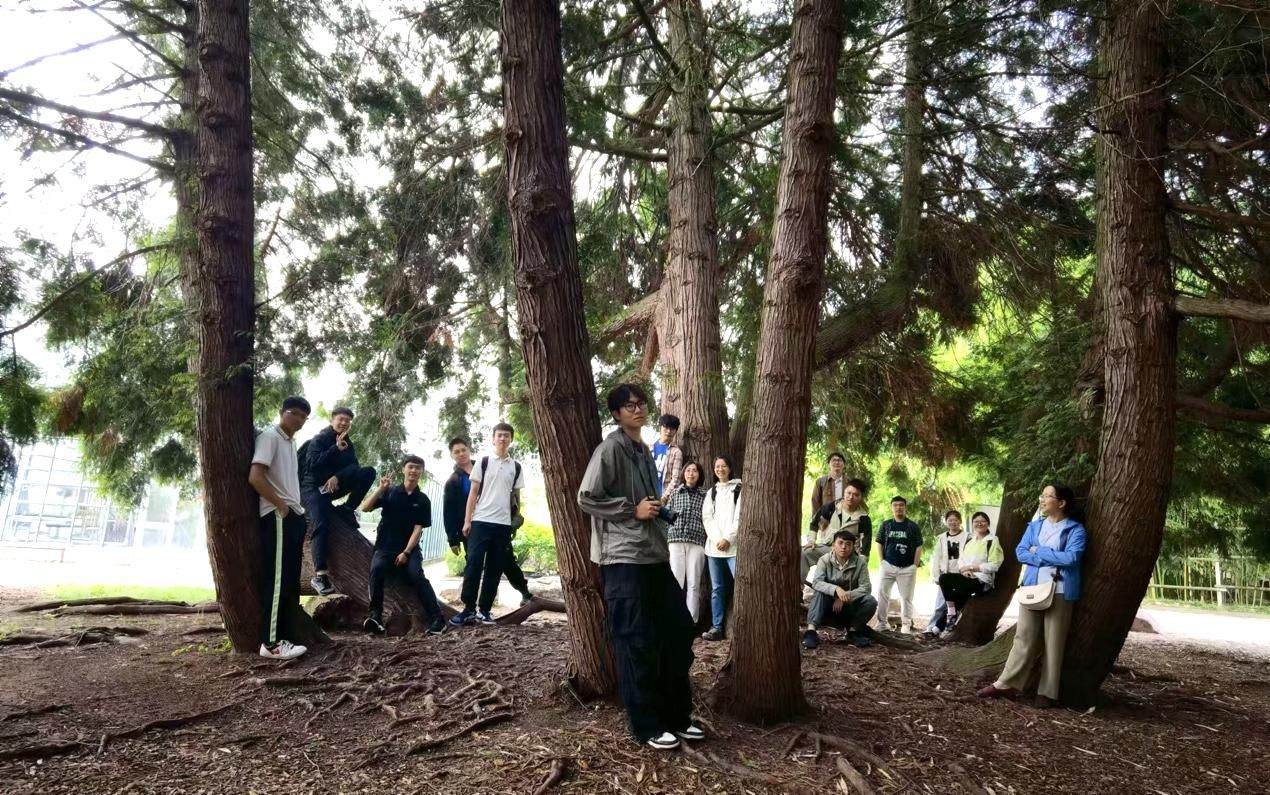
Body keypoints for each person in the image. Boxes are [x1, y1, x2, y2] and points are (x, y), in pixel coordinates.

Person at [577, 383, 701, 751]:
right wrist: (631, 510)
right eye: (630, 405)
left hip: (653, 554)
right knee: (636, 641)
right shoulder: (609, 449)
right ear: (616, 413)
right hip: (623, 559)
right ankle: (647, 725)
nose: (638, 409)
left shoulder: (645, 450)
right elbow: (586, 497)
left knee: (677, 631)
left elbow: (648, 503)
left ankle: (676, 715)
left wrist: (655, 509)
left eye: (642, 403)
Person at [978, 484, 1086, 708]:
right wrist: (1048, 556)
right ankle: (1006, 684)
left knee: (1053, 643)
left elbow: (1071, 558)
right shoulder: (1034, 527)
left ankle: (1047, 692)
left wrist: (1039, 551)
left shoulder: (1075, 530)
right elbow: (1021, 552)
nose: (1042, 499)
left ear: (1061, 503)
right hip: (1032, 589)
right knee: (1023, 638)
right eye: (1042, 495)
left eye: (1048, 496)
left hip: (1060, 590)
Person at [248, 396, 312, 660]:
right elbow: (255, 476)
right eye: (293, 413)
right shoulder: (270, 437)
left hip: (293, 515)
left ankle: (286, 637)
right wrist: (280, 505)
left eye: (303, 416)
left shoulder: (290, 443)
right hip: (277, 515)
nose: (298, 419)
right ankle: (270, 643)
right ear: (281, 412)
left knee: (289, 582)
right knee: (276, 581)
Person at [359, 456, 447, 636]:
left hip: (409, 549)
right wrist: (380, 489)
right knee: (376, 570)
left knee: (417, 575)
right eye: (410, 467)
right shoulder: (390, 492)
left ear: (421, 472)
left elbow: (418, 529)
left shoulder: (422, 500)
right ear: (403, 469)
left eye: (417, 468)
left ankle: (438, 619)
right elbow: (365, 508)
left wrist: (406, 552)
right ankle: (375, 616)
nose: (413, 471)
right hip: (384, 547)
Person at [450, 422, 526, 626]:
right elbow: (473, 493)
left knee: (494, 568)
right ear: (493, 439)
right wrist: (467, 521)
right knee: (473, 563)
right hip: (480, 521)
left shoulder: (516, 467)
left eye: (506, 435)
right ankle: (468, 609)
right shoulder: (483, 462)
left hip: (502, 525)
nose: (503, 438)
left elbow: (516, 497)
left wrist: (515, 520)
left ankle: (485, 610)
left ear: (511, 439)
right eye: (499, 435)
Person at [300, 406, 376, 596]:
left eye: (347, 421)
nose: (344, 423)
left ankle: (348, 509)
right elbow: (312, 465)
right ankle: (320, 575)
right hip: (312, 488)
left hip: (332, 487)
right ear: (332, 420)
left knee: (368, 472)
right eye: (341, 419)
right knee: (321, 523)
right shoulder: (320, 439)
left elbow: (354, 467)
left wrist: (338, 477)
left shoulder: (348, 443)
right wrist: (334, 449)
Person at [802, 530, 876, 649]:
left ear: (853, 547)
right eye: (840, 543)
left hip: (848, 607)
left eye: (848, 544)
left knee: (870, 601)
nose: (844, 547)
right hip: (827, 607)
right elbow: (817, 582)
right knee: (819, 593)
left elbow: (866, 587)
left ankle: (853, 632)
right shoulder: (824, 560)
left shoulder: (860, 562)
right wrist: (836, 589)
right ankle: (811, 632)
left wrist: (845, 596)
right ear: (833, 545)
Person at [936, 510, 1003, 637]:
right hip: (966, 576)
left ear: (988, 523)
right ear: (972, 524)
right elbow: (961, 560)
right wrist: (964, 570)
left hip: (982, 580)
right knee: (944, 579)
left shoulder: (992, 541)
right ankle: (950, 615)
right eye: (976, 522)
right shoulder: (970, 541)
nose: (979, 524)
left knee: (957, 595)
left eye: (982, 521)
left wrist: (973, 568)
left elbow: (994, 565)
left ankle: (940, 626)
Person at [700, 455, 741, 641]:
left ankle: (742, 625)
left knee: (741, 585)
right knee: (717, 588)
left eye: (723, 466)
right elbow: (707, 517)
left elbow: (740, 517)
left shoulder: (739, 489)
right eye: (717, 466)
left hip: (734, 548)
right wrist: (718, 539)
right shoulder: (712, 492)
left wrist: (728, 539)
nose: (720, 469)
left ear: (729, 468)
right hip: (714, 549)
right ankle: (716, 627)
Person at [804, 478, 871, 584]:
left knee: (842, 582)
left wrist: (861, 564)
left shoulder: (864, 518)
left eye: (856, 495)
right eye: (848, 493)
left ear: (861, 497)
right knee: (804, 553)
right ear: (844, 492)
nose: (851, 497)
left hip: (848, 554)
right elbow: (814, 523)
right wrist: (811, 540)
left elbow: (866, 545)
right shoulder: (831, 507)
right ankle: (798, 585)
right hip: (827, 548)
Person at [874, 495, 924, 634]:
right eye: (895, 505)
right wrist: (882, 561)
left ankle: (906, 625)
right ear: (891, 508)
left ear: (905, 507)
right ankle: (882, 623)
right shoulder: (886, 525)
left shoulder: (912, 526)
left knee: (907, 597)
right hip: (888, 565)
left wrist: (915, 565)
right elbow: (879, 543)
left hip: (907, 567)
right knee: (882, 594)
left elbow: (919, 546)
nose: (898, 508)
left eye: (901, 505)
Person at [665, 461, 707, 622]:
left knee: (694, 583)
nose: (691, 473)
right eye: (688, 470)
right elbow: (666, 516)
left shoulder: (705, 496)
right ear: (683, 473)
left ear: (699, 475)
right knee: (676, 582)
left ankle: (691, 622)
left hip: (697, 542)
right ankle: (674, 620)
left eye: (695, 471)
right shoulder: (675, 493)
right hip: (676, 540)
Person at [924, 510, 968, 636]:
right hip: (945, 576)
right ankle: (931, 628)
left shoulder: (967, 537)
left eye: (955, 520)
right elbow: (937, 558)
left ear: (960, 521)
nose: (953, 522)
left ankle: (946, 629)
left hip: (960, 575)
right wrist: (936, 575)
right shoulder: (942, 538)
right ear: (946, 522)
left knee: (956, 604)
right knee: (940, 604)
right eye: (950, 520)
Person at [651, 414, 684, 502]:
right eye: (666, 427)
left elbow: (675, 480)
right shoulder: (649, 448)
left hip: (664, 499)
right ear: (660, 428)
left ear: (675, 431)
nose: (669, 431)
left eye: (672, 429)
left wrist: (663, 499)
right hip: (646, 497)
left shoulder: (676, 452)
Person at [810, 451, 847, 515]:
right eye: (834, 460)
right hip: (826, 519)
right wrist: (817, 519)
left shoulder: (849, 483)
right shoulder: (820, 482)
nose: (837, 462)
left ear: (844, 464)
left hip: (845, 518)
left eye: (839, 460)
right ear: (829, 464)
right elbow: (815, 502)